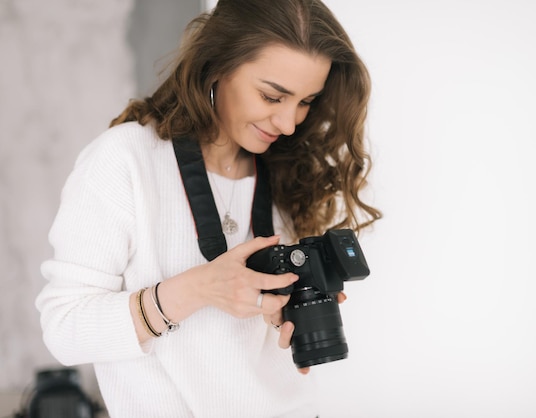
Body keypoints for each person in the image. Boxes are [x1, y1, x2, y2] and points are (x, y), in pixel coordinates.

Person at [36, 0, 382, 416]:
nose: (289, 123)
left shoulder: (290, 171)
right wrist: (199, 289)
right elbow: (64, 329)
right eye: (273, 96)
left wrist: (287, 311)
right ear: (217, 64)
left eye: (306, 102)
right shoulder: (124, 160)